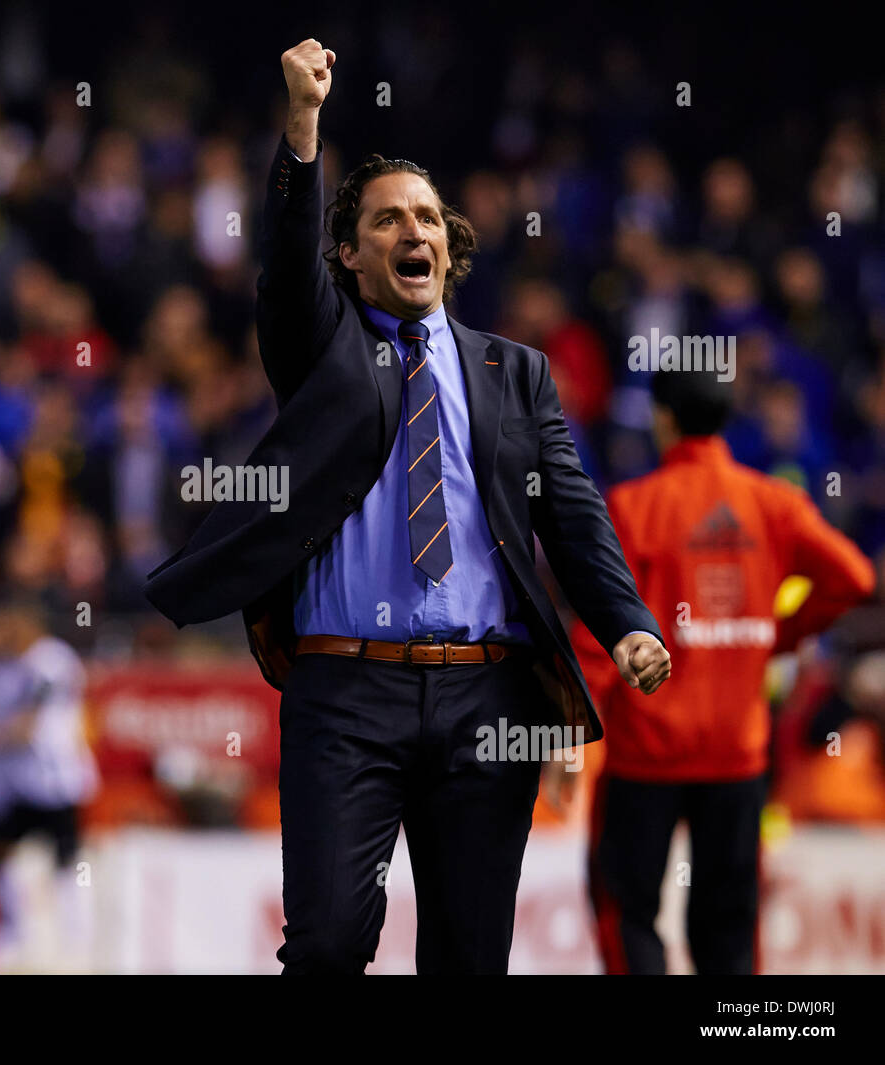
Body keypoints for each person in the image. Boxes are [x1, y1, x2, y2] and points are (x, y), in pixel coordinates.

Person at [145, 39, 671, 974]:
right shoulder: (326, 351)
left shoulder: (519, 374)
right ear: (350, 254)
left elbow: (575, 515)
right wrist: (303, 128)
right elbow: (282, 267)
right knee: (329, 940)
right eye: (386, 220)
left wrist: (626, 621)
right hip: (345, 692)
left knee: (471, 959)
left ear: (451, 249)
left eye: (427, 217)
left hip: (488, 691)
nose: (412, 231)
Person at [567, 367, 875, 974]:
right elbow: (855, 578)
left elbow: (597, 636)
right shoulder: (774, 503)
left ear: (663, 419)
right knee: (730, 930)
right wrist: (779, 636)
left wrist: (564, 728)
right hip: (737, 758)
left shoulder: (633, 506)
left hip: (644, 758)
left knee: (627, 914)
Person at [0, 595, 99, 971]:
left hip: (55, 777)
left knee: (65, 859)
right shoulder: (8, 665)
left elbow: (28, 722)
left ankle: (76, 942)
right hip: (20, 781)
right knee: (0, 852)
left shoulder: (50, 660)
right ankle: (15, 934)